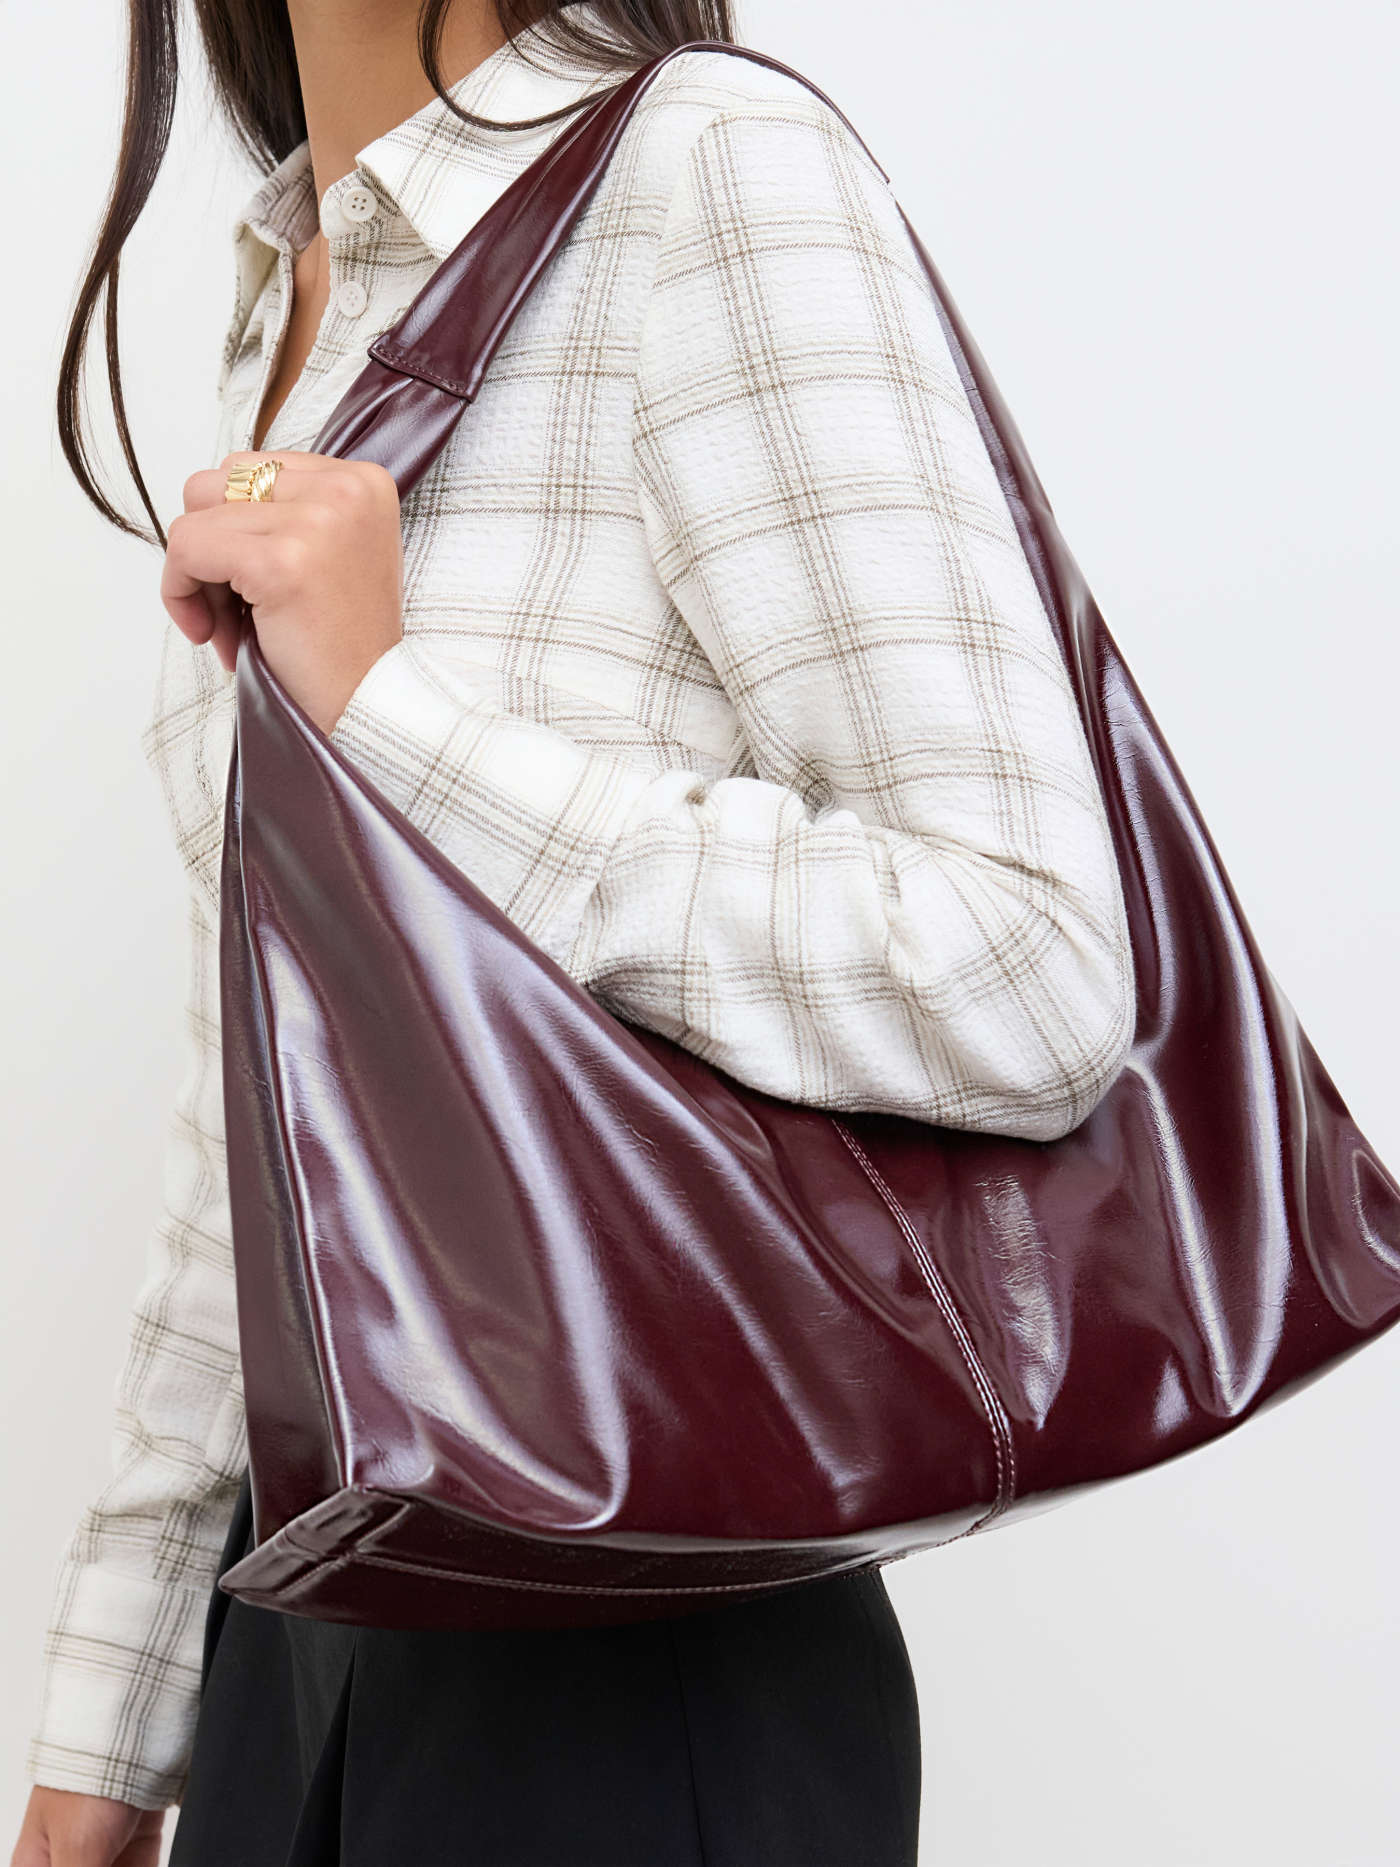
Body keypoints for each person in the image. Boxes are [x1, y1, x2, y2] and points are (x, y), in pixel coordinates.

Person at [13, 2, 1138, 1862]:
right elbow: (273, 1116)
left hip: (636, 1666)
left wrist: (399, 721)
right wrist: (107, 1738)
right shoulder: (302, 281)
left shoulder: (708, 172)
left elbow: (1022, 967)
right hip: (290, 1636)